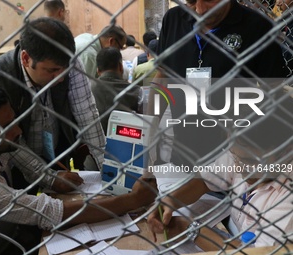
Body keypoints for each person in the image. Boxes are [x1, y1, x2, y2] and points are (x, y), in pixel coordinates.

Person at [0, 84, 158, 255]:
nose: (18, 130)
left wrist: (52, 179)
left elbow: (32, 167)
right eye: (8, 127)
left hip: (8, 236)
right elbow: (50, 213)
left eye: (15, 120)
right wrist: (134, 200)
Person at [147, 0, 287, 168]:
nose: (199, 9)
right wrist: (150, 127)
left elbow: (273, 92)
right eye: (191, 1)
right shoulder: (174, 19)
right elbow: (163, 76)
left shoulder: (257, 26)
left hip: (233, 158)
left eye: (209, 0)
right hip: (182, 152)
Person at [147, 89, 293, 250]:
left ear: (286, 150)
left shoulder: (287, 199)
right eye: (235, 156)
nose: (239, 168)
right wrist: (171, 200)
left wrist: (191, 230)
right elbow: (205, 181)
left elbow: (258, 254)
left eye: (250, 161)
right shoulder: (240, 151)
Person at [0, 17, 105, 191]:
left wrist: (108, 168)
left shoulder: (70, 63)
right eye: (52, 71)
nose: (61, 78)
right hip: (18, 160)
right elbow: (8, 138)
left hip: (59, 151)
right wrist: (47, 177)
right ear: (26, 59)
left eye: (65, 70)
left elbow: (87, 115)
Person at [92, 47, 141, 134]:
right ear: (121, 67)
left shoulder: (88, 89)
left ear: (98, 70)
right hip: (126, 141)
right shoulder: (136, 92)